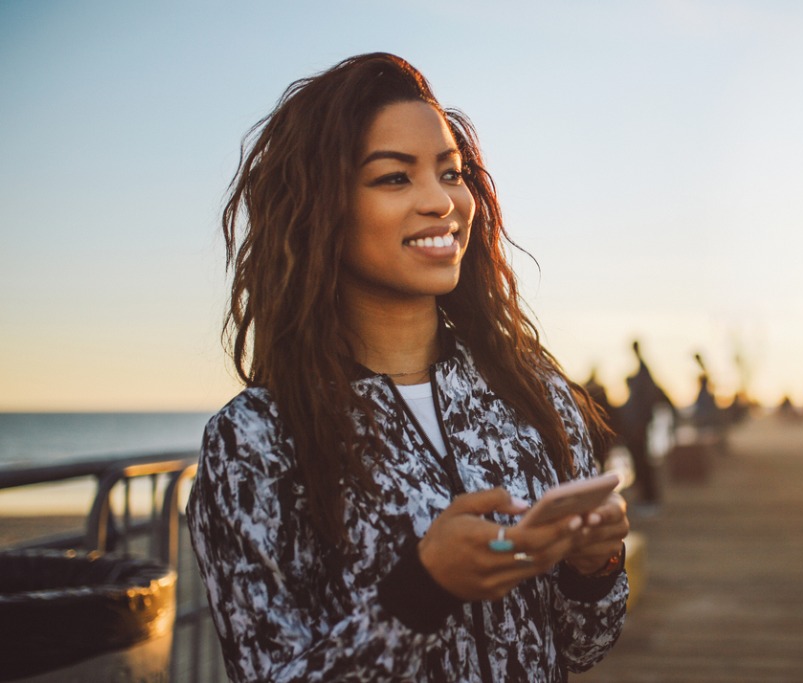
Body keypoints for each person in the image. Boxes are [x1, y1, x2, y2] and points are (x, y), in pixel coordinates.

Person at [186, 53, 629, 683]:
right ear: (321, 209)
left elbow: (583, 647)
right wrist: (420, 594)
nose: (441, 202)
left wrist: (596, 568)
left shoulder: (534, 395)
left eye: (451, 173)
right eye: (395, 178)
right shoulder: (254, 440)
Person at [619, 340, 673, 509]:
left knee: (643, 465)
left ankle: (650, 500)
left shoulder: (643, 379)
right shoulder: (638, 387)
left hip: (639, 431)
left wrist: (640, 425)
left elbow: (647, 394)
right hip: (635, 431)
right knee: (640, 465)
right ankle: (646, 498)